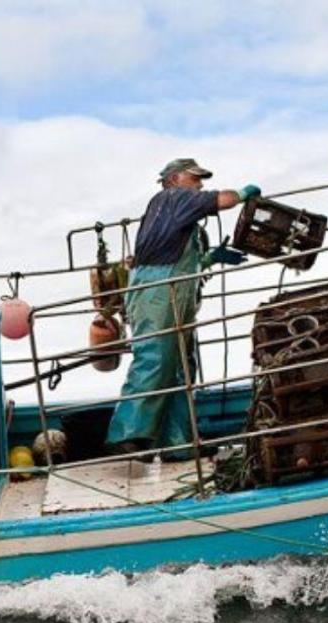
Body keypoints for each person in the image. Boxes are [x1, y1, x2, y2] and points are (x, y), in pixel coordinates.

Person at [106, 159, 260, 459]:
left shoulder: (176, 215)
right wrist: (243, 193)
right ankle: (126, 434)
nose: (199, 184)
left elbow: (178, 257)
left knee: (181, 368)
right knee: (155, 357)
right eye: (195, 178)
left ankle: (179, 443)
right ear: (175, 179)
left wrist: (211, 258)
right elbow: (222, 199)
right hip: (156, 292)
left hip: (176, 294)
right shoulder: (172, 198)